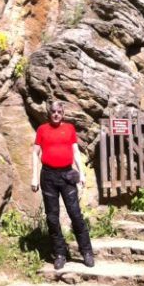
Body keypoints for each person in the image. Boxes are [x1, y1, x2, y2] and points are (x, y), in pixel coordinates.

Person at [31, 100, 95, 270]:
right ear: (49, 113)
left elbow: (75, 151)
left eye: (59, 112)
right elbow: (35, 153)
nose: (56, 114)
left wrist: (81, 173)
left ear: (63, 114)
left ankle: (87, 252)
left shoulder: (69, 129)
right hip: (48, 176)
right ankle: (60, 254)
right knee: (52, 218)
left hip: (67, 176)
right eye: (53, 111)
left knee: (75, 214)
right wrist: (34, 177)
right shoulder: (42, 129)